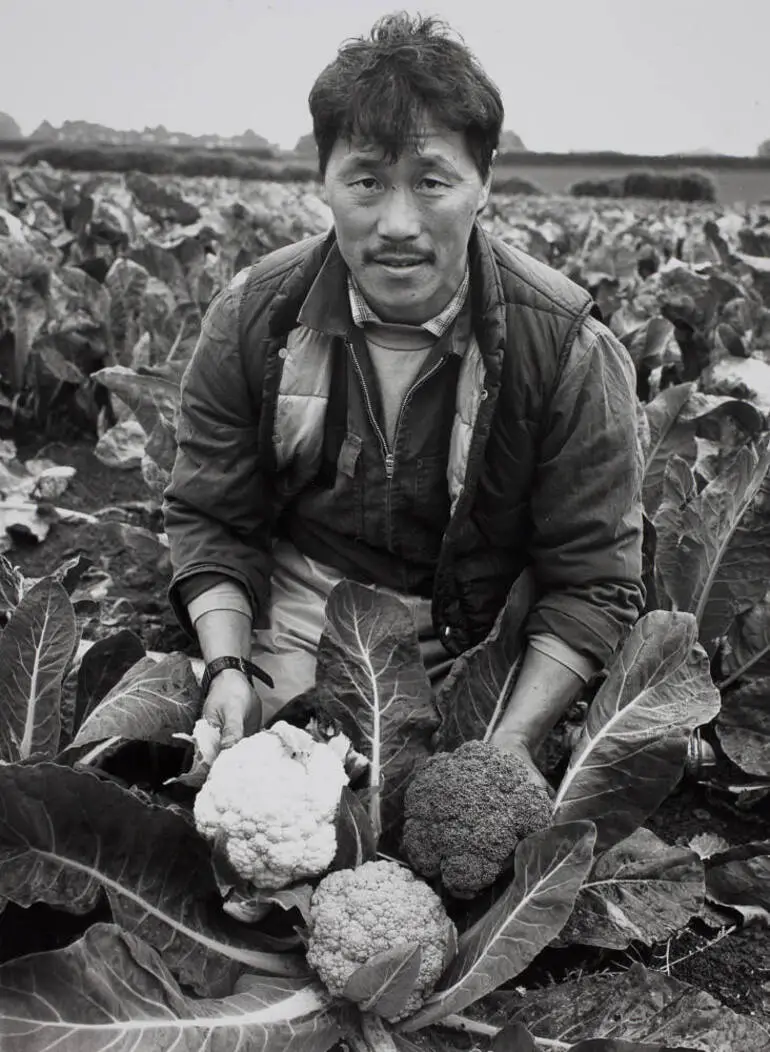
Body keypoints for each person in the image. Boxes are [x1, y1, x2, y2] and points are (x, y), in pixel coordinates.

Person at [162, 13, 644, 786]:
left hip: (477, 640)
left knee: (447, 830)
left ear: (482, 182)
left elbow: (593, 579)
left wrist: (504, 749)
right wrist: (225, 665)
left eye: (431, 181)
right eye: (366, 181)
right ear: (323, 181)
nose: (397, 224)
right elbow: (212, 516)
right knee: (251, 803)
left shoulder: (566, 350)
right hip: (301, 613)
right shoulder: (252, 316)